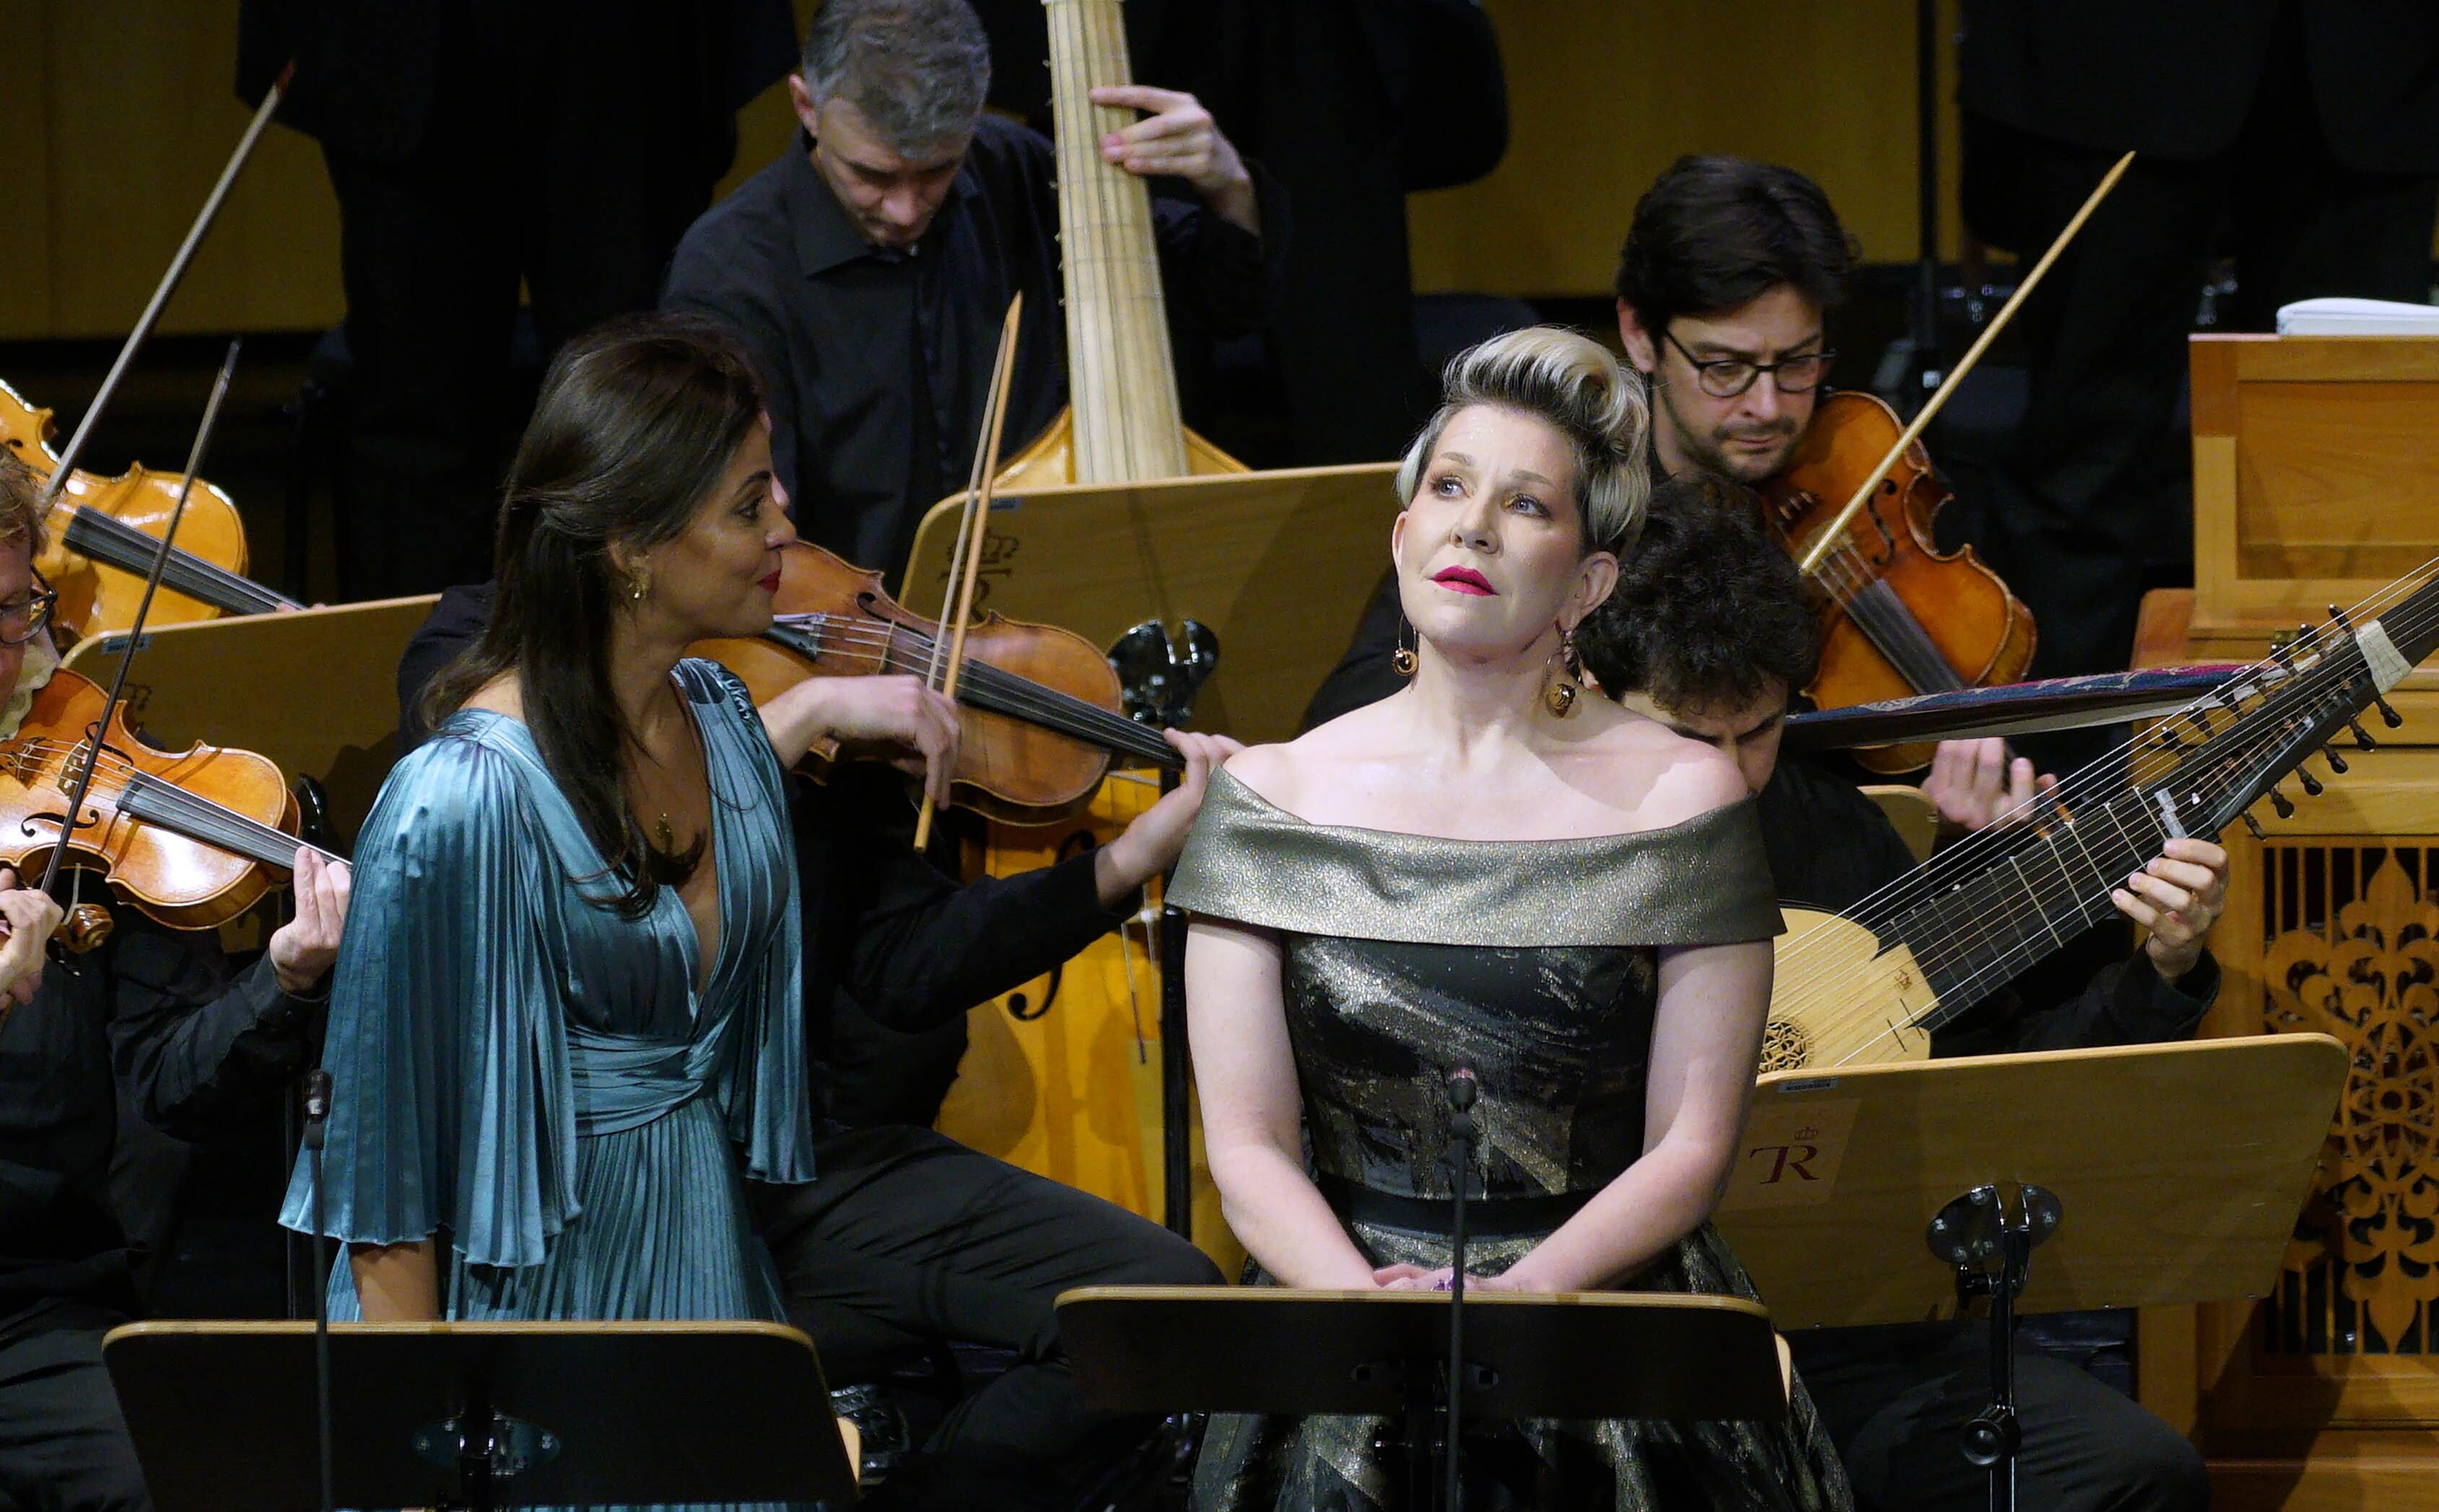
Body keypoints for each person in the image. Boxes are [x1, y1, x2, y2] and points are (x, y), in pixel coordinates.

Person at [374, 314, 1233, 1510]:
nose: (787, 529)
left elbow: (894, 965)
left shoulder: (723, 716)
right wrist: (419, 1451)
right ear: (629, 543)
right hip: (547, 1232)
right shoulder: (470, 746)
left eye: (772, 484)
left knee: (1163, 1313)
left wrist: (1129, 856)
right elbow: (392, 1144)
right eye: (744, 504)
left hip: (751, 1182)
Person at [1173, 328, 1851, 1509]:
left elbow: (1688, 1150)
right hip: (1344, 1332)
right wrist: (1357, 1311)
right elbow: (1244, 1149)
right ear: (1400, 538)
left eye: (1524, 503)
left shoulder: (1678, 794)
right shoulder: (1266, 800)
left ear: (1587, 580)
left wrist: (1519, 1310)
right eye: (1446, 487)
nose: (1472, 525)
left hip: (1604, 1334)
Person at [1576, 475, 2224, 1512]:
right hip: (1614, 1340)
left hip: (1847, 1337)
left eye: (1759, 728)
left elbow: (1980, 1079)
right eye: (1693, 740)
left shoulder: (1824, 829)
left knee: (2135, 1474)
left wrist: (2158, 969)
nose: (1735, 773)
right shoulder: (1516, 845)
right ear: (1592, 693)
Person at [0, 447, 352, 1512]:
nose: (1, 648)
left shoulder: (73, 809)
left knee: (184, 1481)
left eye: (13, 610)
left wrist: (282, 981)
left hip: (33, 1320)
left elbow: (170, 1080)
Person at [661, 0, 1288, 582]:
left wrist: (1228, 186)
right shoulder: (730, 272)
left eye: (936, 170)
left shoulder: (1015, 169)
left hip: (1051, 602)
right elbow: (741, 531)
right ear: (806, 107)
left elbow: (1228, 307)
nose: (906, 210)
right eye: (872, 175)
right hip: (853, 649)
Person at [237, 0, 799, 599]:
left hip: (629, 36)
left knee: (643, 405)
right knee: (412, 418)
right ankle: (424, 677)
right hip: (406, 38)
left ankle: (653, 676)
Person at [1958, 1, 2439, 685]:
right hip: (2117, 62)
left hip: (2371, 63)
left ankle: (2362, 767)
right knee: (2084, 451)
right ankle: (2055, 774)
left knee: (2349, 471)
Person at [1303, 154, 1852, 729]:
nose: (1767, 405)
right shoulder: (1567, 494)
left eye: (1796, 362)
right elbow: (1352, 698)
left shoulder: (1852, 468)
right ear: (1639, 335)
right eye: (1723, 366)